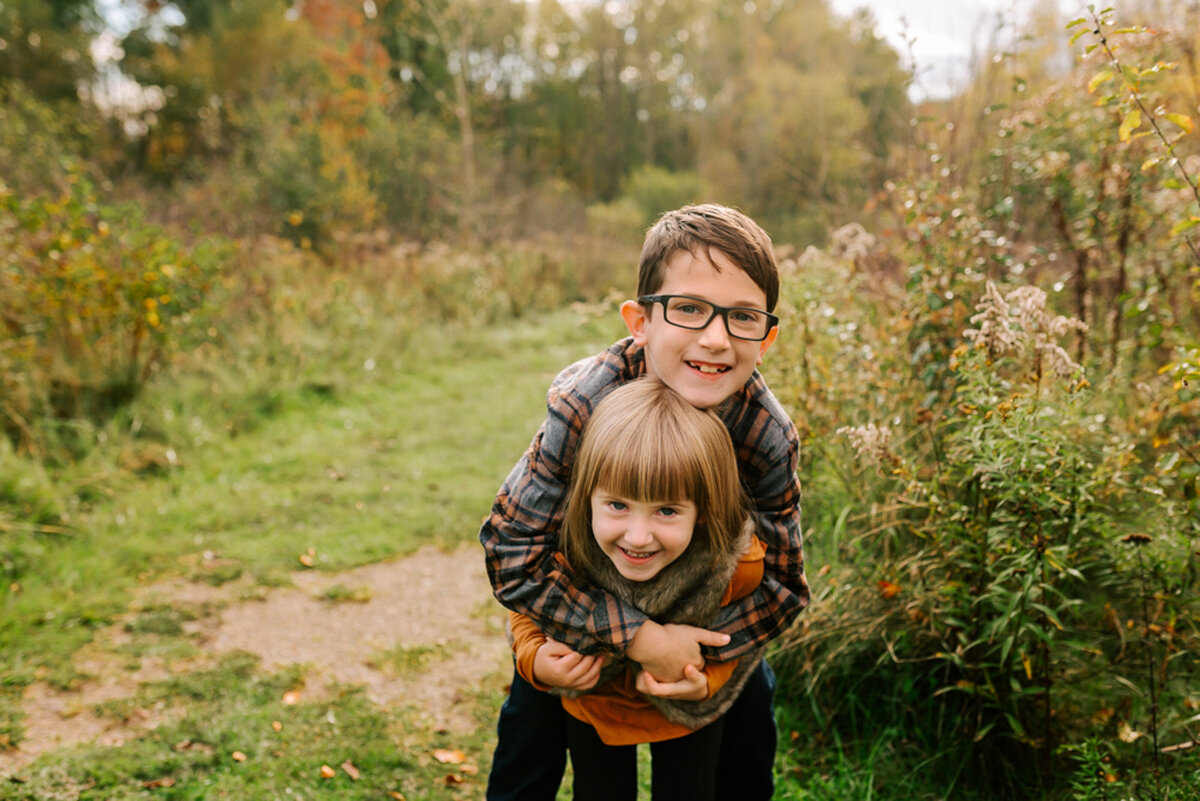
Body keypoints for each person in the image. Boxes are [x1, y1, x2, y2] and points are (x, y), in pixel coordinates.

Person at [482, 203, 810, 800]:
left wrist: (704, 663)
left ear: (766, 338)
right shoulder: (584, 402)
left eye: (742, 318)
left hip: (703, 608)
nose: (715, 338)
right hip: (582, 595)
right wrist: (638, 638)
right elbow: (510, 550)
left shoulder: (764, 433)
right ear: (640, 320)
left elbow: (785, 585)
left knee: (748, 711)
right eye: (688, 309)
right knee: (531, 730)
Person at [508, 377, 767, 801]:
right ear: (586, 495)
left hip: (688, 710)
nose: (638, 536)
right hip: (596, 703)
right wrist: (533, 655)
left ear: (703, 510)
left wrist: (710, 679)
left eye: (666, 510)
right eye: (617, 505)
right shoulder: (569, 546)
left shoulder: (734, 565)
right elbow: (531, 602)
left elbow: (748, 637)